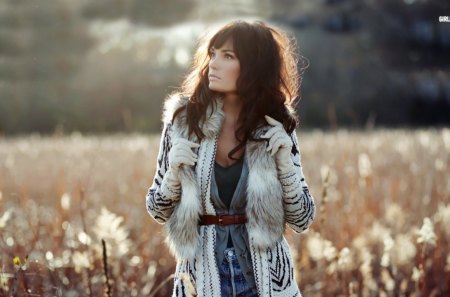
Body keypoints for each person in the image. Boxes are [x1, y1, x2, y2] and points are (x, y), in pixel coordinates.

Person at [146, 19, 316, 297]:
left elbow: (302, 218)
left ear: (253, 66)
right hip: (200, 280)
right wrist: (173, 175)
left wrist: (285, 164)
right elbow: (157, 209)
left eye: (227, 56)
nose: (213, 63)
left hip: (266, 280)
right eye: (213, 54)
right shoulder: (183, 121)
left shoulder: (275, 124)